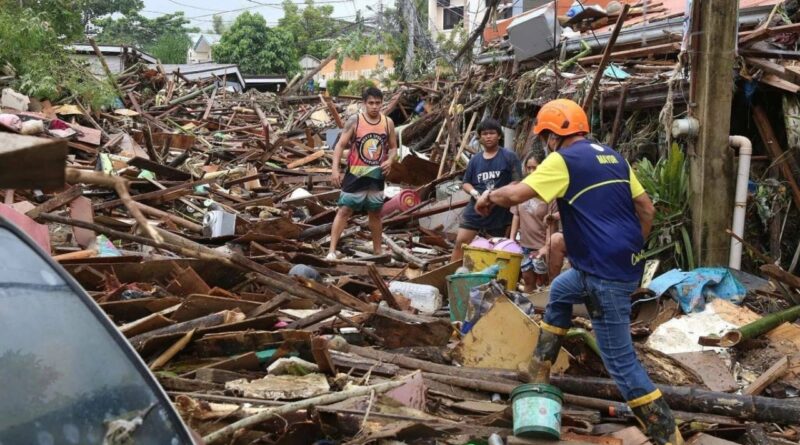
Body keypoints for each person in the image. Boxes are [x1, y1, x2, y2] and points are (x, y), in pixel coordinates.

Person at [475, 99, 680, 445]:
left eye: (544, 136)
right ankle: (539, 367)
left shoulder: (564, 159)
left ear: (552, 135)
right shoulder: (613, 157)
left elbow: (517, 194)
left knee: (620, 363)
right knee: (561, 291)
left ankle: (667, 434)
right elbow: (646, 208)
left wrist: (488, 197)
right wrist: (629, 249)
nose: (544, 141)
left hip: (604, 275)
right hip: (605, 267)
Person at [327, 87, 397, 260]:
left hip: (376, 174)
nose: (374, 106)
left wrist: (390, 160)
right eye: (371, 103)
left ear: (382, 103)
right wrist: (335, 169)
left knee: (375, 213)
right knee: (344, 210)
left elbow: (394, 147)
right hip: (356, 173)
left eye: (378, 103)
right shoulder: (355, 121)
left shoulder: (388, 123)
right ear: (364, 103)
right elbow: (340, 145)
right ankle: (331, 250)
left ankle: (377, 251)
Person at [450, 119, 521, 261]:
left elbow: (517, 182)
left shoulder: (509, 157)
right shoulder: (475, 160)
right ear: (480, 138)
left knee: (496, 248)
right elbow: (466, 183)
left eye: (492, 133)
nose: (488, 136)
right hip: (476, 208)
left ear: (499, 136)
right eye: (485, 134)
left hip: (499, 210)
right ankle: (452, 274)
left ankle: (493, 280)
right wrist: (475, 194)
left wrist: (496, 196)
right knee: (461, 242)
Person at [510, 152, 558, 291]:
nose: (531, 172)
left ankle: (543, 309)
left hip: (542, 245)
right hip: (524, 244)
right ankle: (529, 310)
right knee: (527, 278)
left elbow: (551, 223)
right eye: (529, 168)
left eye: (535, 168)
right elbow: (516, 215)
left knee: (544, 281)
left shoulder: (550, 193)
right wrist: (512, 239)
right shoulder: (520, 190)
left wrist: (547, 247)